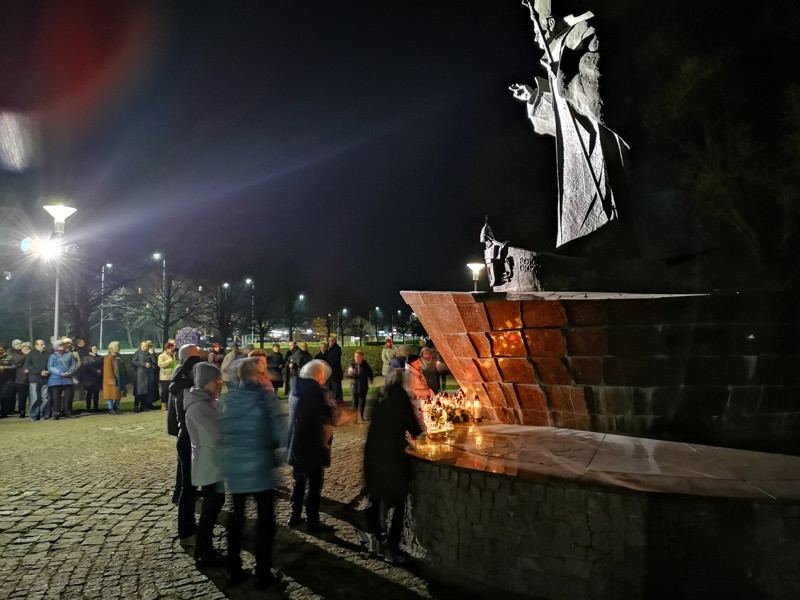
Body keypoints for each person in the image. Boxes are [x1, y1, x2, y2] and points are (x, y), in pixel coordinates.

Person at [221, 357, 283, 589]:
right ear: (256, 374)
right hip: (259, 466)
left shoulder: (229, 399)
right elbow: (276, 434)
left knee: (237, 519)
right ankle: (262, 572)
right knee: (265, 521)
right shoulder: (262, 398)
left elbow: (223, 430)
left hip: (236, 466)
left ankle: (234, 569)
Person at [364, 368, 422, 564]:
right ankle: (392, 547)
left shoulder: (380, 396)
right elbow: (415, 428)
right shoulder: (401, 400)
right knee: (398, 503)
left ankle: (377, 541)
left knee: (378, 499)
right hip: (393, 458)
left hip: (374, 455)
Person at [183, 362, 225, 568]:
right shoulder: (200, 406)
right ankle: (203, 551)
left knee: (213, 506)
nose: (220, 385)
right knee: (210, 509)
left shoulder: (205, 402)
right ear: (208, 382)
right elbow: (219, 434)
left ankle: (204, 548)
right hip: (210, 463)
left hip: (212, 461)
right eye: (218, 381)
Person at [285, 359, 335, 532]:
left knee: (298, 481)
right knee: (313, 485)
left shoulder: (297, 388)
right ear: (318, 375)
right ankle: (313, 522)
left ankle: (294, 516)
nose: (324, 380)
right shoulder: (315, 392)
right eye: (323, 376)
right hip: (312, 444)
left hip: (296, 443)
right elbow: (326, 414)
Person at [167, 344, 204, 543]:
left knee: (186, 479)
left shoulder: (180, 379)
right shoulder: (185, 384)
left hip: (184, 432)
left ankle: (186, 522)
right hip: (187, 433)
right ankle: (187, 528)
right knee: (187, 484)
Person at [48, 341, 77, 420]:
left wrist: (69, 372)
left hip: (68, 378)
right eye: (60, 346)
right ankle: (56, 413)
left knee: (69, 397)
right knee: (56, 398)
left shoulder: (70, 354)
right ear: (56, 347)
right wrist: (60, 373)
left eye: (63, 345)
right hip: (55, 379)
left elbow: (74, 364)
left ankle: (68, 411)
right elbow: (50, 367)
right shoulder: (53, 356)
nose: (62, 347)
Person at [25, 339, 50, 421]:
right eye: (41, 344)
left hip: (45, 378)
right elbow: (28, 366)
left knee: (45, 397)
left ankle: (42, 413)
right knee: (35, 397)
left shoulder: (47, 354)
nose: (44, 346)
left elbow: (50, 364)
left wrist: (47, 371)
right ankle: (34, 415)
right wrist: (40, 372)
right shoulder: (31, 354)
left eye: (44, 344)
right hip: (34, 379)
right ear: (36, 346)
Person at [347, 350, 374, 422]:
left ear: (362, 357)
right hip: (354, 385)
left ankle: (360, 417)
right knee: (355, 402)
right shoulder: (352, 364)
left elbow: (370, 373)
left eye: (358, 356)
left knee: (362, 402)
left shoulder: (365, 365)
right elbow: (348, 376)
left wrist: (371, 380)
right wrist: (350, 374)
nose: (356, 358)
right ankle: (355, 417)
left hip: (363, 386)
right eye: (355, 356)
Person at [132, 340, 157, 412]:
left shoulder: (149, 353)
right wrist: (144, 364)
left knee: (146, 390)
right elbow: (134, 361)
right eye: (142, 345)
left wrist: (152, 354)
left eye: (145, 346)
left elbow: (154, 361)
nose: (143, 347)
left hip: (148, 374)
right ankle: (136, 406)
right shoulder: (137, 353)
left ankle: (143, 405)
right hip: (140, 374)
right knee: (139, 390)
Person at [103, 341, 127, 415]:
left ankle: (116, 407)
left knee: (119, 393)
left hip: (120, 378)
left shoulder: (119, 357)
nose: (118, 349)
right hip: (112, 378)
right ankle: (111, 408)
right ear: (111, 348)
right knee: (111, 394)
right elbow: (108, 370)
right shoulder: (108, 357)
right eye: (117, 347)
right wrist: (111, 379)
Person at [80, 345, 103, 412]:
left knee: (96, 394)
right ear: (90, 350)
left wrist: (100, 370)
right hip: (89, 378)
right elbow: (86, 366)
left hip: (97, 378)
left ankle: (96, 407)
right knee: (89, 394)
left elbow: (103, 365)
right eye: (94, 348)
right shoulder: (86, 358)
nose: (96, 349)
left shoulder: (100, 357)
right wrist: (95, 370)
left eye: (96, 348)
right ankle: (88, 408)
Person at [13, 342, 32, 418]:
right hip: (21, 379)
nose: (26, 350)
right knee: (22, 397)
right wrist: (25, 356)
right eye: (24, 349)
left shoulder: (33, 356)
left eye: (28, 348)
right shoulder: (19, 356)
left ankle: (33, 411)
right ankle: (22, 411)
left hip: (32, 378)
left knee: (32, 396)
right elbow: (17, 364)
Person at [158, 342, 178, 412]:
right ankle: (164, 405)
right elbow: (160, 364)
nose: (172, 349)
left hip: (173, 376)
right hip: (165, 377)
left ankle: (172, 405)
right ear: (166, 349)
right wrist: (170, 360)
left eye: (173, 348)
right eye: (170, 348)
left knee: (173, 391)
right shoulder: (161, 356)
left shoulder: (175, 355)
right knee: (165, 391)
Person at [323, 336, 343, 404]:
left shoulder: (336, 348)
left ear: (334, 341)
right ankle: (335, 400)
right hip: (331, 372)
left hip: (335, 372)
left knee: (336, 387)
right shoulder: (331, 349)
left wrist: (328, 366)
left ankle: (337, 401)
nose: (330, 342)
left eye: (332, 340)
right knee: (333, 387)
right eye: (329, 341)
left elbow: (335, 360)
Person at [0, 343, 17, 418]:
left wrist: (4, 367)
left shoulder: (10, 357)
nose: (1, 351)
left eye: (2, 349)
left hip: (6, 380)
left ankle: (4, 413)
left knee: (4, 397)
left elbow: (14, 367)